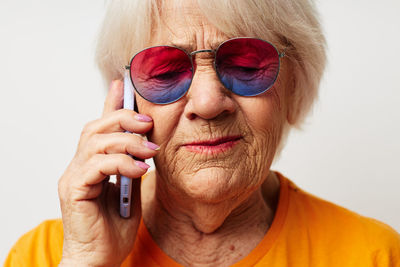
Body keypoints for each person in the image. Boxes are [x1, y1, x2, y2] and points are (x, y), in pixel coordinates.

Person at [5, 0, 400, 266]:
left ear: (294, 85)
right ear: (127, 100)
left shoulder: (374, 254)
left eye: (247, 65)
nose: (209, 103)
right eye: (165, 71)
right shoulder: (44, 255)